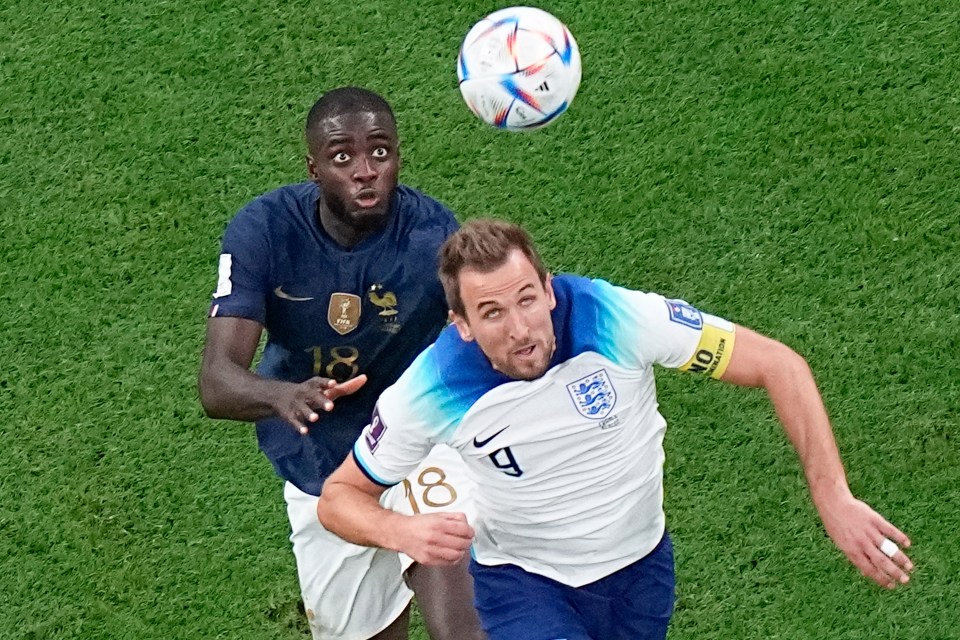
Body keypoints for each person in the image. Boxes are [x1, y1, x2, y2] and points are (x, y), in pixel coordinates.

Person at [316, 218, 916, 640]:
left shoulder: (617, 317)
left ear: (549, 291)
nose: (521, 327)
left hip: (640, 568)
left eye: (528, 299)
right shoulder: (431, 388)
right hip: (525, 584)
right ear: (462, 324)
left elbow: (778, 365)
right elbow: (340, 498)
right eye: (492, 313)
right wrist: (399, 530)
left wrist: (832, 495)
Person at [198, 87, 485, 640]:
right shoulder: (264, 231)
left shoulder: (431, 236)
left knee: (464, 623)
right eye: (342, 157)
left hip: (418, 440)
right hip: (321, 465)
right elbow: (217, 382)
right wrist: (284, 396)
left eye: (380, 152)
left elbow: (474, 335)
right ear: (313, 167)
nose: (364, 171)